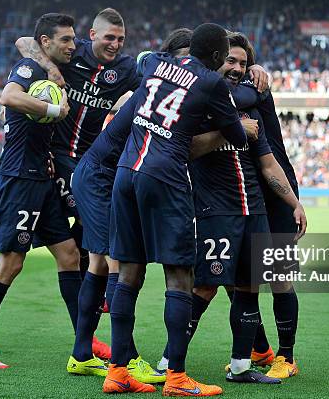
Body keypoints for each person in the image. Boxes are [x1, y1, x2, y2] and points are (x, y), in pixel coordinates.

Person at [103, 23, 248, 396]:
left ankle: (117, 372)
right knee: (180, 274)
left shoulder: (154, 62)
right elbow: (237, 134)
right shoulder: (212, 83)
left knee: (128, 274)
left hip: (126, 172)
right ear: (217, 57)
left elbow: (148, 61)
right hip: (164, 176)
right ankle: (178, 378)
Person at [158, 32, 305, 383]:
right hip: (224, 204)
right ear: (215, 60)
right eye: (230, 61)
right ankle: (179, 359)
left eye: (243, 62)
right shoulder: (205, 98)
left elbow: (269, 162)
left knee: (273, 278)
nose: (237, 68)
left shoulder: (255, 93)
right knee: (216, 283)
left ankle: (282, 356)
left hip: (269, 198)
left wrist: (293, 203)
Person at [15, 7, 141, 361]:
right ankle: (107, 338)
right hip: (57, 157)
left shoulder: (126, 70)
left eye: (120, 39)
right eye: (109, 38)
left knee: (88, 239)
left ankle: (89, 317)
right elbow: (24, 41)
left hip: (89, 162)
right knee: (99, 242)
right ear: (92, 36)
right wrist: (53, 68)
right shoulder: (72, 54)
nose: (114, 44)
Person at [0, 13, 82, 369]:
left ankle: (83, 343)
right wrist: (52, 108)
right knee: (11, 262)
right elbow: (11, 97)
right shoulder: (28, 69)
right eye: (65, 40)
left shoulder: (47, 66)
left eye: (74, 40)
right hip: (21, 177)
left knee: (69, 253)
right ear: (47, 43)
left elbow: (26, 39)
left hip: (42, 177)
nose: (72, 46)